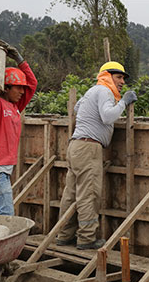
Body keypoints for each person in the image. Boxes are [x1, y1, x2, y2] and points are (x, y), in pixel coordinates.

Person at [56, 61, 137, 250]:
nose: (122, 82)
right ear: (107, 76)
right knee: (89, 194)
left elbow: (77, 108)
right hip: (89, 148)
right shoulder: (104, 91)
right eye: (119, 77)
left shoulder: (92, 91)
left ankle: (64, 235)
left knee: (71, 194)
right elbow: (108, 117)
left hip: (76, 145)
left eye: (123, 78)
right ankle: (86, 238)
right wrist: (123, 102)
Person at [0, 44, 37, 215]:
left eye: (22, 88)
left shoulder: (15, 106)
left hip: (2, 171)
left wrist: (20, 60)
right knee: (5, 216)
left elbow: (32, 84)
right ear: (6, 88)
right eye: (18, 87)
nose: (22, 91)